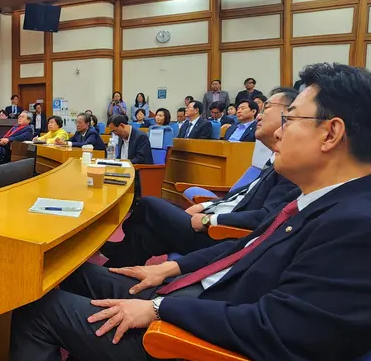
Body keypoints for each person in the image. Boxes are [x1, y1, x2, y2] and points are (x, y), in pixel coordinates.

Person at [0, 65, 371, 361]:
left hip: (198, 354)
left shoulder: (367, 228)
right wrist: (170, 269)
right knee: (71, 273)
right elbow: (245, 250)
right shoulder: (328, 202)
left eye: (291, 119)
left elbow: (282, 332)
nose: (280, 131)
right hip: (197, 303)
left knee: (36, 308)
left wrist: (160, 310)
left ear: (331, 133)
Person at [101, 87, 299, 269]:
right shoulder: (272, 159)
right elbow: (240, 195)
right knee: (143, 235)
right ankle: (112, 272)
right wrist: (205, 206)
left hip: (220, 233)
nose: (260, 114)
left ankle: (120, 243)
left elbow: (265, 217)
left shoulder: (291, 167)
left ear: (289, 115)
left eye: (267, 108)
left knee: (148, 204)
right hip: (214, 216)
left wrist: (209, 218)